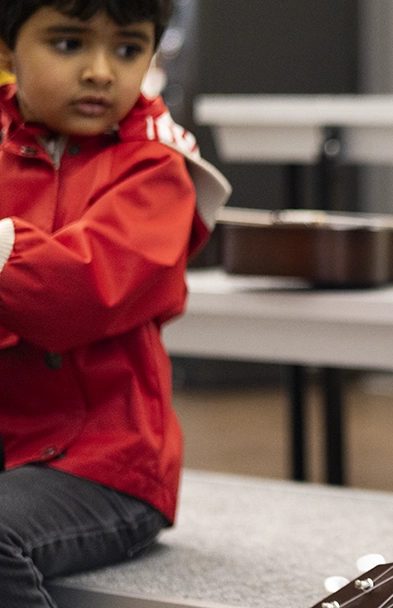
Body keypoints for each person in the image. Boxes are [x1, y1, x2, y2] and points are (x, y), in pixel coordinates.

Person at [0, 1, 230, 605]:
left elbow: (73, 298)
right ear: (4, 53)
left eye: (127, 50)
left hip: (105, 470)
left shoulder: (159, 169)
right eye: (69, 44)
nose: (101, 71)